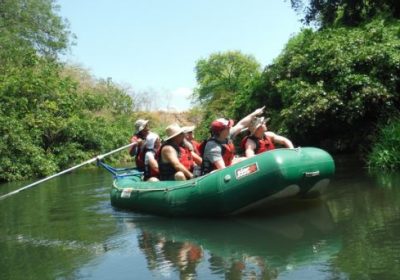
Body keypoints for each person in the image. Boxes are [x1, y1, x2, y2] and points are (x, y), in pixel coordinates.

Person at [201, 106, 265, 175]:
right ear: (220, 131)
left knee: (245, 160)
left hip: (227, 165)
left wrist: (255, 113)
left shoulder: (226, 135)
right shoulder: (213, 146)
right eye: (228, 127)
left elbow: (241, 124)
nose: (230, 127)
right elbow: (223, 170)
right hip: (215, 175)